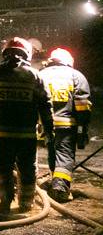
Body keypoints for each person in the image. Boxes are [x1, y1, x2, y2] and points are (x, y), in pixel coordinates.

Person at [0, 37, 54, 215]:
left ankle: (5, 202)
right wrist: (49, 130)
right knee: (27, 169)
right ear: (26, 53)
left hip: (1, 135)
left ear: (5, 52)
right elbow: (46, 105)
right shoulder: (35, 75)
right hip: (26, 135)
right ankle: (26, 203)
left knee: (3, 169)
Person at [39, 48, 92, 202]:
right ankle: (60, 189)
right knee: (65, 156)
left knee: (52, 154)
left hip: (46, 125)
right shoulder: (76, 76)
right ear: (69, 61)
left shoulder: (40, 75)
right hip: (67, 125)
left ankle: (55, 182)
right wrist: (83, 128)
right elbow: (83, 105)